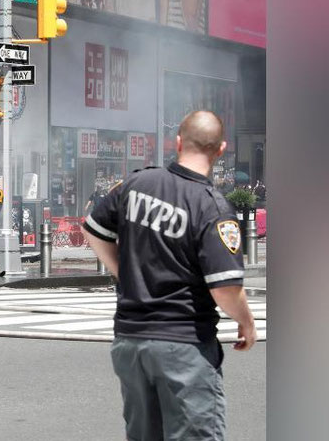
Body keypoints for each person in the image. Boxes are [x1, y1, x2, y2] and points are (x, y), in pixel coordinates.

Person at [83, 110, 257, 440]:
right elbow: (225, 289)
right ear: (220, 150)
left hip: (130, 342)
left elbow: (94, 229)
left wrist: (123, 273)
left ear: (178, 142)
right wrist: (247, 323)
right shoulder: (213, 208)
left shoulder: (136, 183)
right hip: (183, 343)